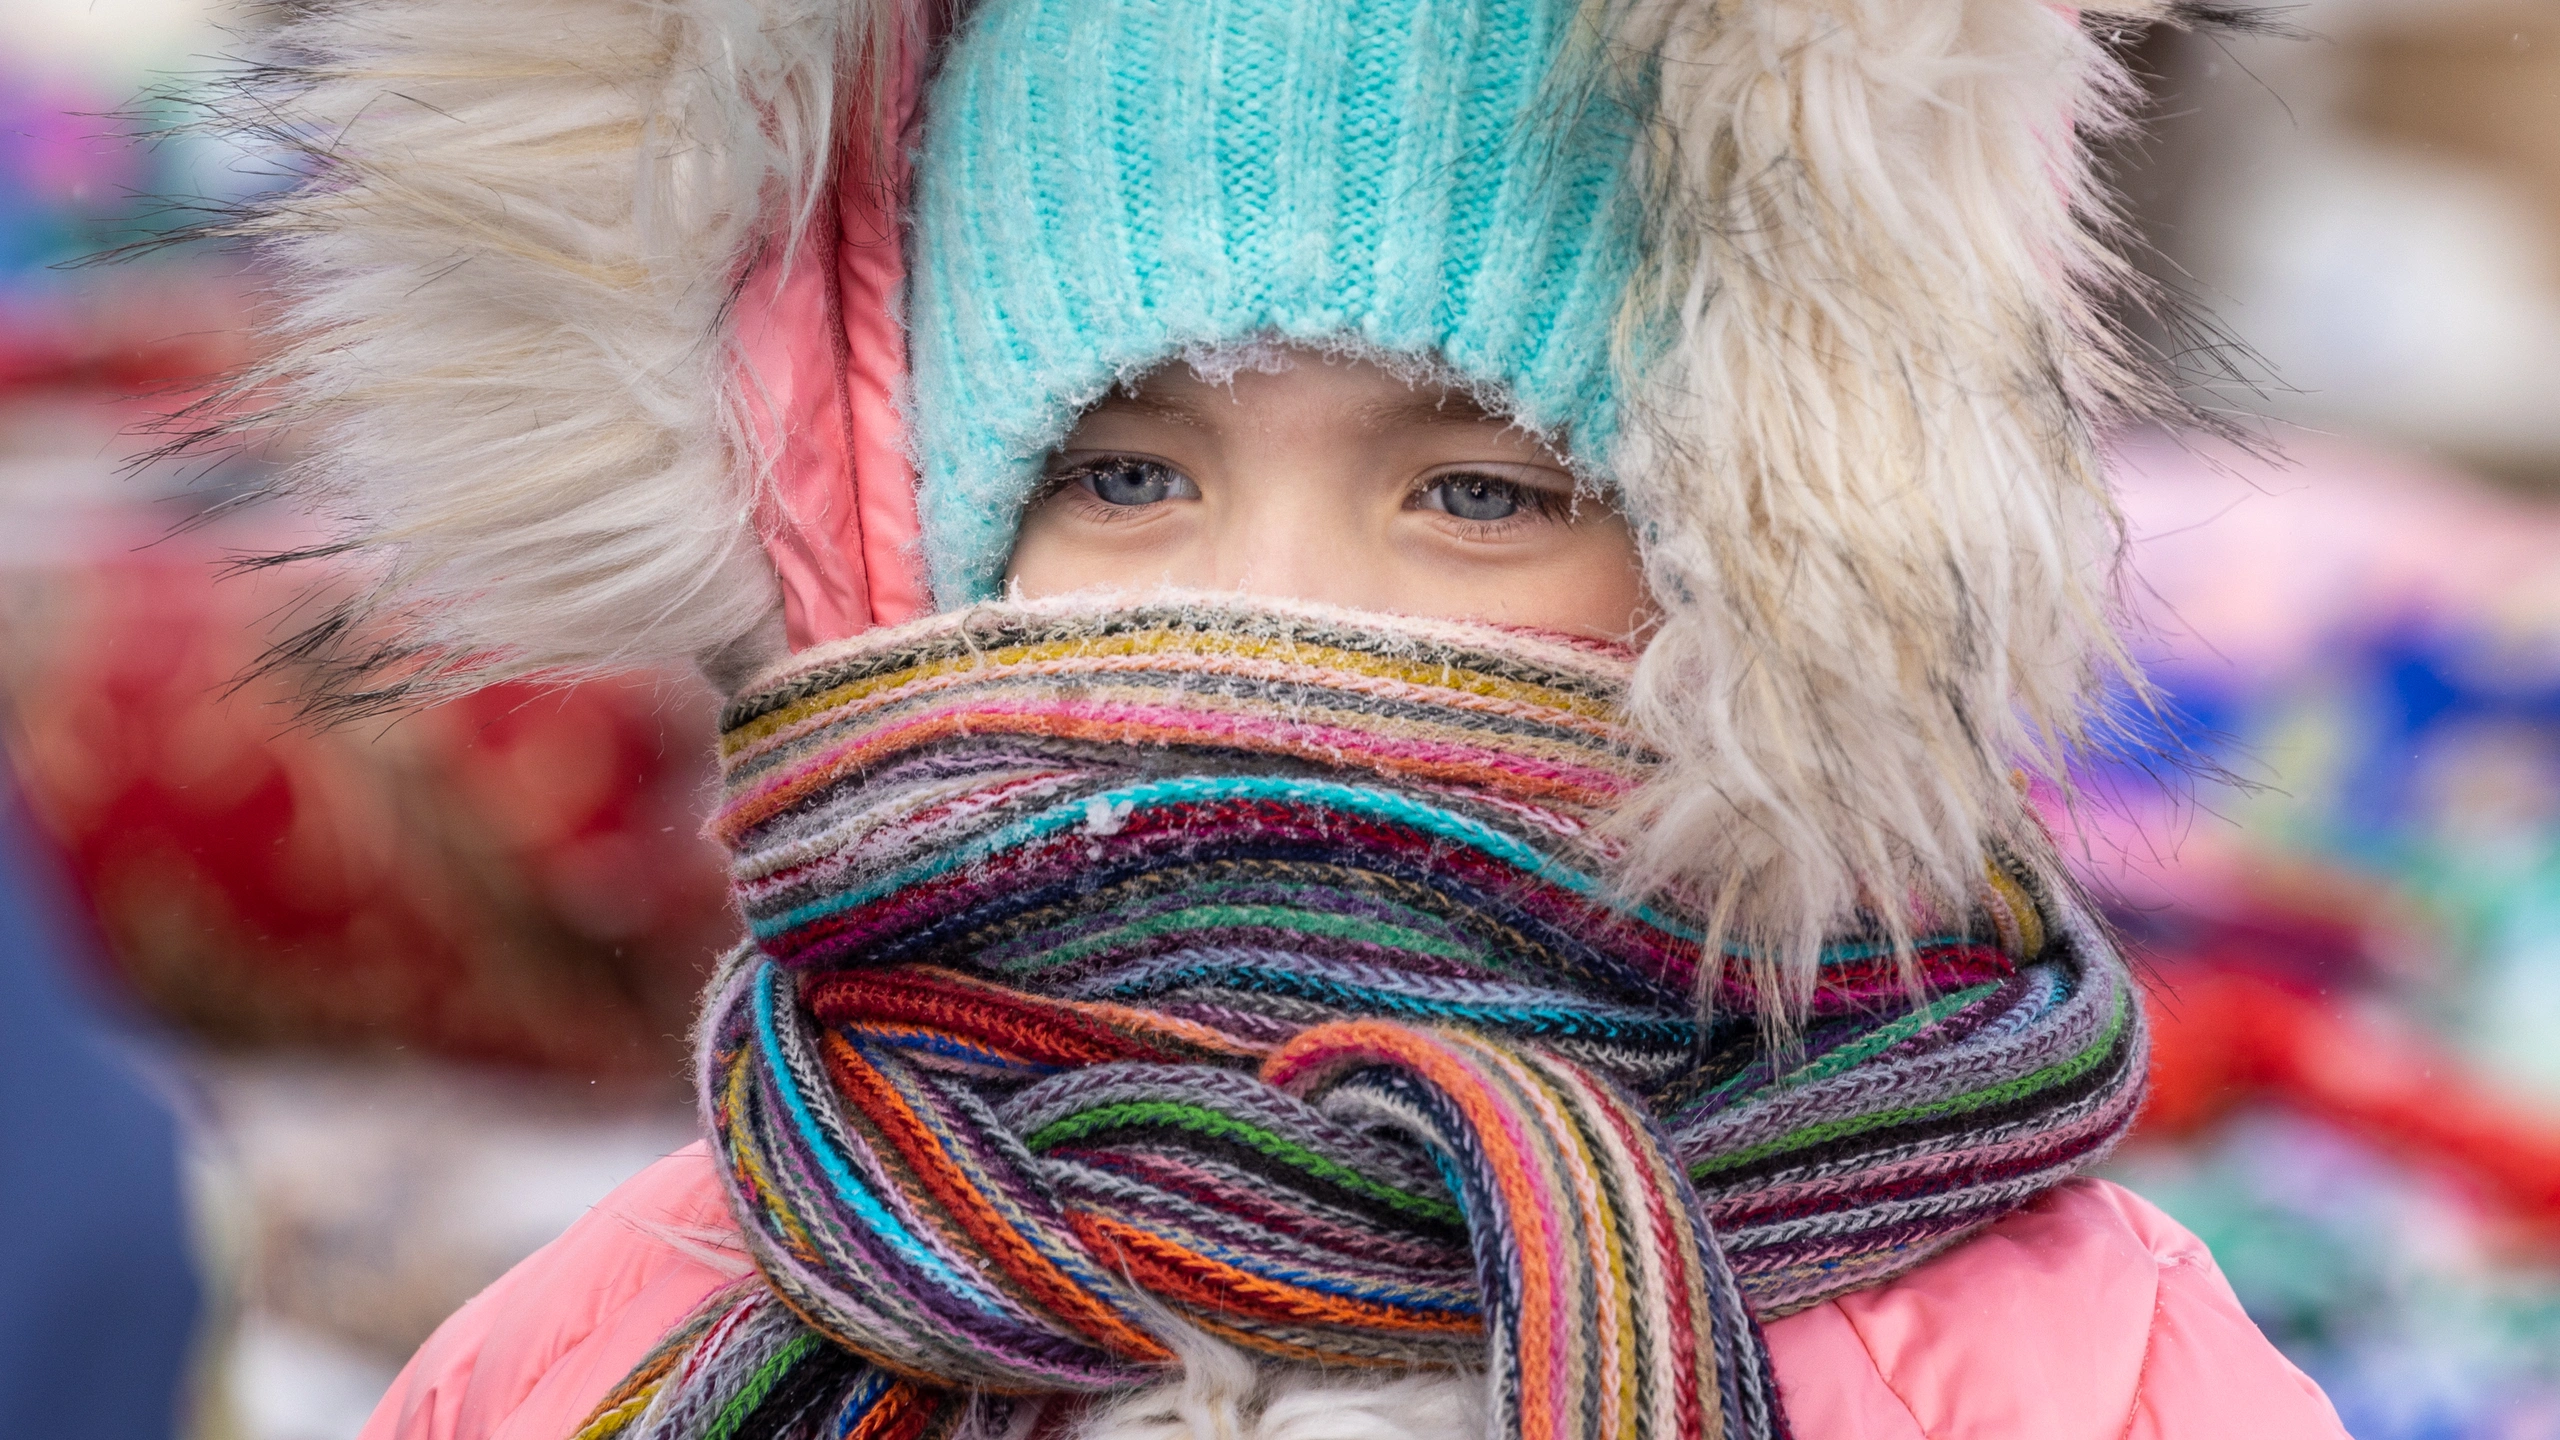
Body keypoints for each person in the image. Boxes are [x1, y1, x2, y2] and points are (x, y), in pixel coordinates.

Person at [196, 0, 2349, 1436]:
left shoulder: (2076, 1371)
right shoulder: (640, 1337)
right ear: (912, 540)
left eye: (1481, 490)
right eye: (1122, 475)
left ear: (1761, 559)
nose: (1270, 617)